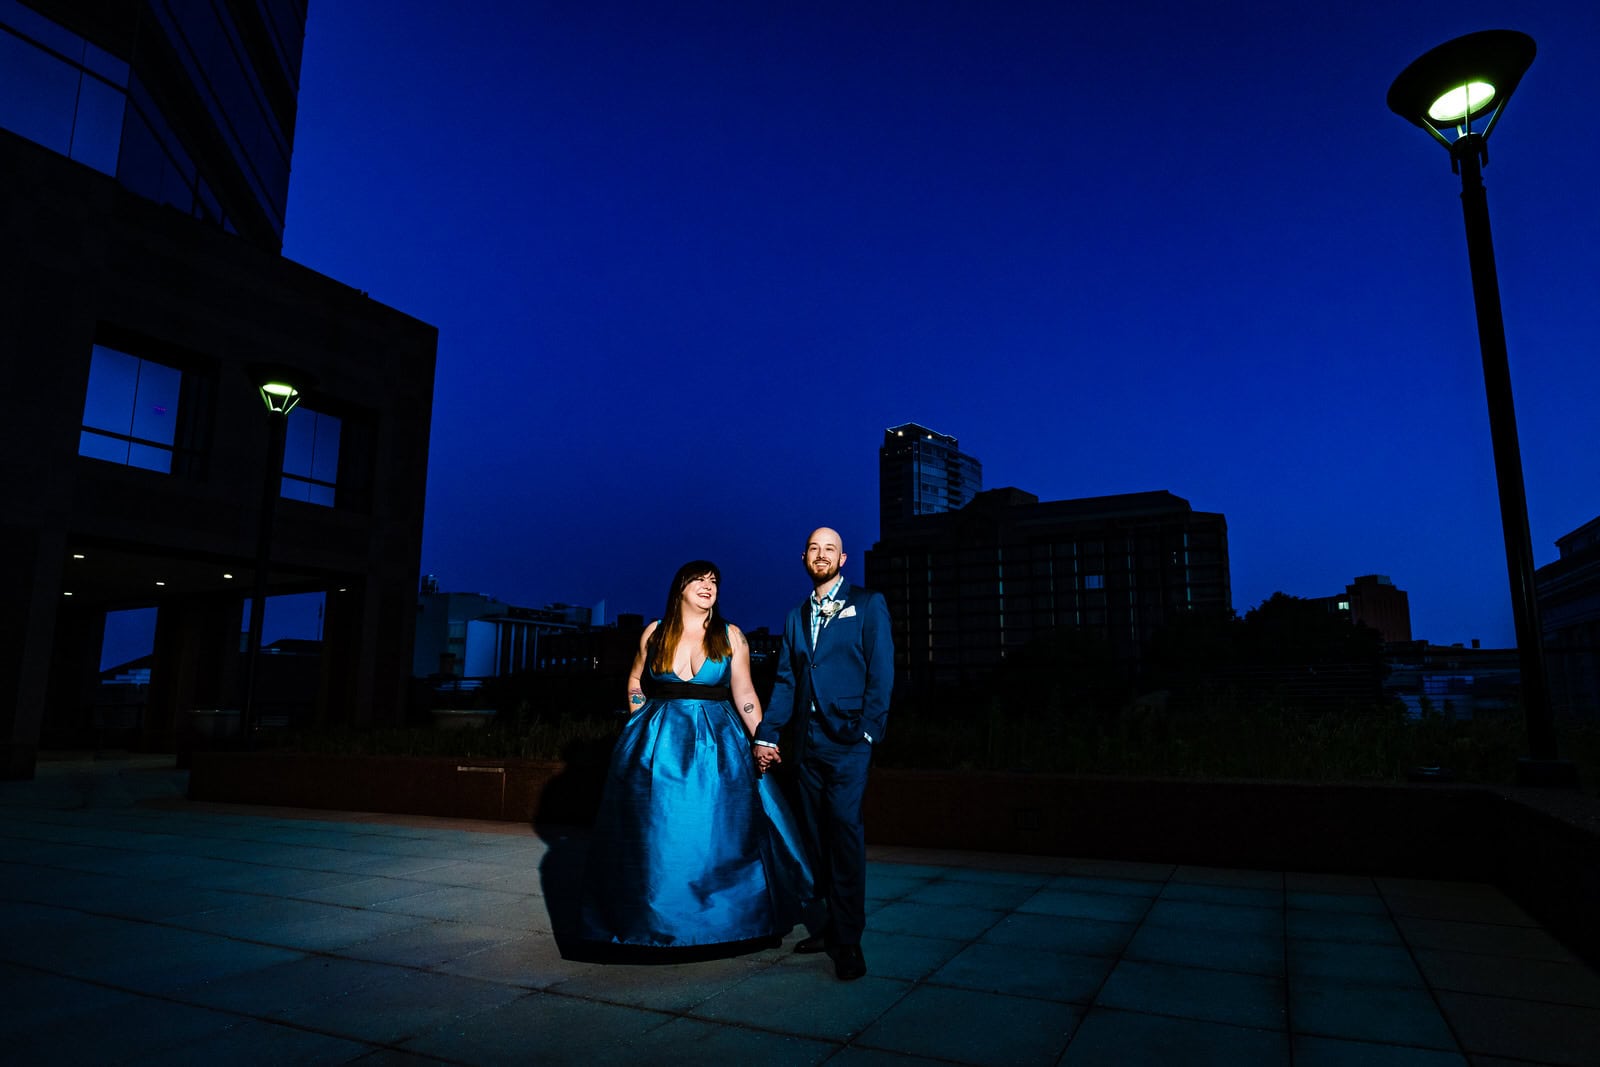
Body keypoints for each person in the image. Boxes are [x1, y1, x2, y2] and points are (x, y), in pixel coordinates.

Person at [580, 560, 813, 949]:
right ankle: (652, 923)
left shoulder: (731, 636)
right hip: (657, 746)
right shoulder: (655, 633)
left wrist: (763, 740)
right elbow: (637, 680)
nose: (709, 586)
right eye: (699, 580)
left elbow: (745, 694)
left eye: (715, 581)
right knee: (656, 835)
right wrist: (639, 724)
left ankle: (724, 922)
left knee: (720, 832)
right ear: (680, 588)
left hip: (718, 745)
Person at [753, 527, 893, 980]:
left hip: (850, 742)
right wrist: (767, 734)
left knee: (844, 834)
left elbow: (881, 672)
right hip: (807, 743)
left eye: (829, 548)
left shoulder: (869, 604)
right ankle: (830, 926)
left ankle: (849, 940)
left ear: (843, 558)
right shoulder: (796, 616)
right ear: (803, 558)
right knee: (814, 838)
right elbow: (787, 681)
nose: (821, 554)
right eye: (814, 548)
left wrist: (869, 733)